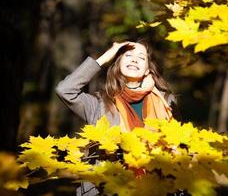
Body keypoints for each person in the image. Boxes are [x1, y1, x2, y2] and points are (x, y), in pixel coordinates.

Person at [55, 40, 180, 196]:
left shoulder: (166, 102)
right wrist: (105, 57)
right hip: (107, 190)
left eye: (141, 57)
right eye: (128, 55)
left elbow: (178, 144)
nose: (134, 59)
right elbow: (65, 90)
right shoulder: (98, 106)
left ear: (148, 70)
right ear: (118, 64)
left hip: (155, 188)